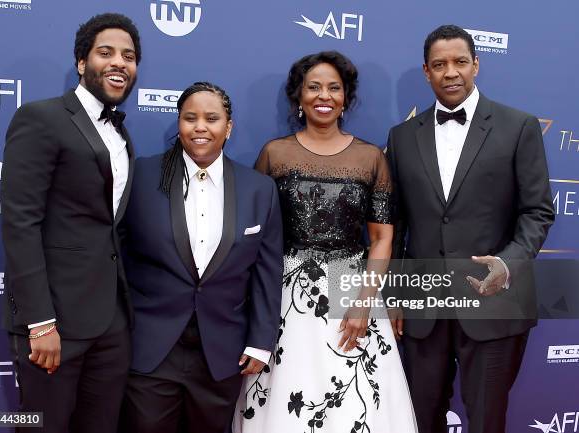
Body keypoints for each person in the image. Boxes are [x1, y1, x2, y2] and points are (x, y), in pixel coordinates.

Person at [233, 51, 418, 433]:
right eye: (313, 86)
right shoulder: (274, 153)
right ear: (298, 97)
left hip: (350, 287)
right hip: (286, 292)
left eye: (335, 88)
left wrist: (363, 305)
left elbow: (382, 238)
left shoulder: (371, 158)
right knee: (290, 390)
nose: (324, 95)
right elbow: (256, 234)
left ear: (346, 97)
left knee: (352, 401)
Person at [386, 25, 555, 433]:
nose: (451, 72)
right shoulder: (403, 136)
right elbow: (395, 222)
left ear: (476, 65)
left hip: (496, 303)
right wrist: (395, 294)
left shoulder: (519, 127)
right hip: (423, 308)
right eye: (440, 64)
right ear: (426, 71)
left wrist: (508, 262)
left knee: (486, 420)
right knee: (421, 420)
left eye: (460, 62)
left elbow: (537, 211)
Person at [0, 13, 140, 433]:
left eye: (129, 56)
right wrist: (40, 321)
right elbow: (20, 223)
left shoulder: (121, 135)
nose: (120, 63)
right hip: (55, 324)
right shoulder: (41, 118)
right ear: (82, 62)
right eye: (106, 52)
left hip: (111, 323)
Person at [119, 82, 283, 433]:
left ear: (229, 127)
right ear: (178, 123)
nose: (200, 127)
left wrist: (261, 341)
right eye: (189, 118)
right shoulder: (142, 175)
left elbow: (267, 272)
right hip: (151, 348)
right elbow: (115, 255)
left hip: (222, 353)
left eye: (212, 118)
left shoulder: (258, 189)